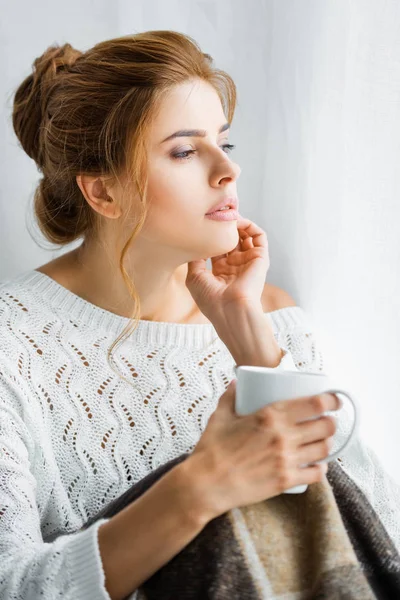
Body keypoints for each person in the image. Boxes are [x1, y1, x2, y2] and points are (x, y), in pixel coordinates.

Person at [1, 30, 399, 600]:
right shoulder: (13, 345)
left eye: (224, 143)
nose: (226, 171)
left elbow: (377, 546)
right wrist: (196, 490)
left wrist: (254, 348)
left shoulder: (275, 323)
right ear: (104, 194)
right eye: (185, 151)